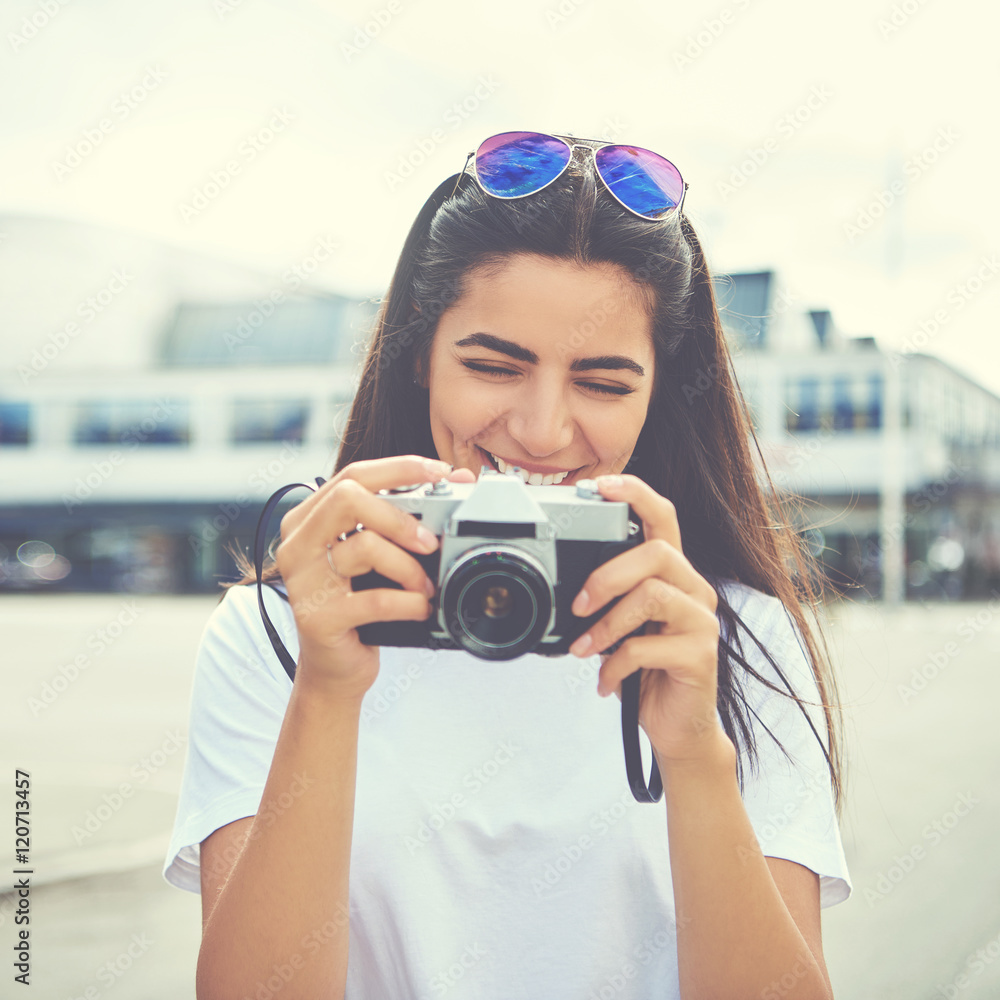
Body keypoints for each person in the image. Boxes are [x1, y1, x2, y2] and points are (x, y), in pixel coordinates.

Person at [164, 131, 852, 999]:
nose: (541, 428)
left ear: (658, 394)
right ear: (419, 357)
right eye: (493, 365)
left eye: (603, 383)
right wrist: (326, 697)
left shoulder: (731, 636)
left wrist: (694, 754)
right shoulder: (280, 632)